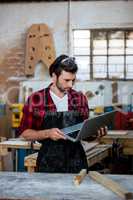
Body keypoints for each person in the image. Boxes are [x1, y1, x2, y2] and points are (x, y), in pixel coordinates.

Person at [18, 54, 106, 173]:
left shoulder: (80, 98)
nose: (70, 85)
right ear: (54, 77)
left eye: (73, 80)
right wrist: (47, 133)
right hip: (48, 162)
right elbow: (25, 133)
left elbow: (84, 134)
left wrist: (95, 133)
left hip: (77, 161)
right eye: (66, 80)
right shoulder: (36, 99)